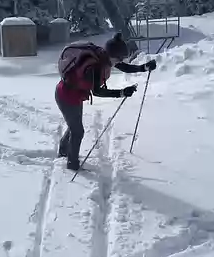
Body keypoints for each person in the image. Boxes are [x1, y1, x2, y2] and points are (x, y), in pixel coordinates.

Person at [55, 32, 157, 171]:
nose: (119, 61)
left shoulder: (104, 56)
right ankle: (72, 165)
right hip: (66, 96)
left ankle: (63, 151)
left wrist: (144, 67)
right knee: (77, 130)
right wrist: (121, 93)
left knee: (74, 125)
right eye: (119, 58)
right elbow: (97, 91)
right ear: (113, 55)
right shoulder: (96, 66)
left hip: (74, 94)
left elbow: (125, 67)